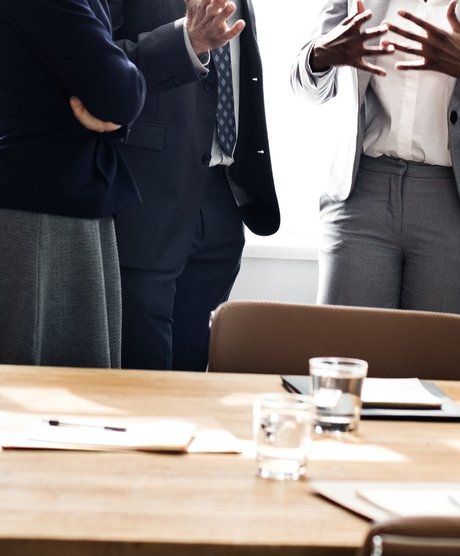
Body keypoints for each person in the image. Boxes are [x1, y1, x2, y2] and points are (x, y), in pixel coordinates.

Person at [292, 0, 460, 323]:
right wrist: (320, 56)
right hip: (360, 196)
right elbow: (303, 82)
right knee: (345, 361)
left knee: (442, 367)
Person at [109, 0, 277, 373]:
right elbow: (96, 65)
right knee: (143, 378)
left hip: (224, 200)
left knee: (191, 376)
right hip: (147, 197)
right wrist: (185, 41)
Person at [0, 0, 145, 368]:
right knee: (49, 383)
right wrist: (116, 105)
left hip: (61, 198)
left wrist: (114, 108)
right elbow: (120, 91)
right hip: (44, 207)